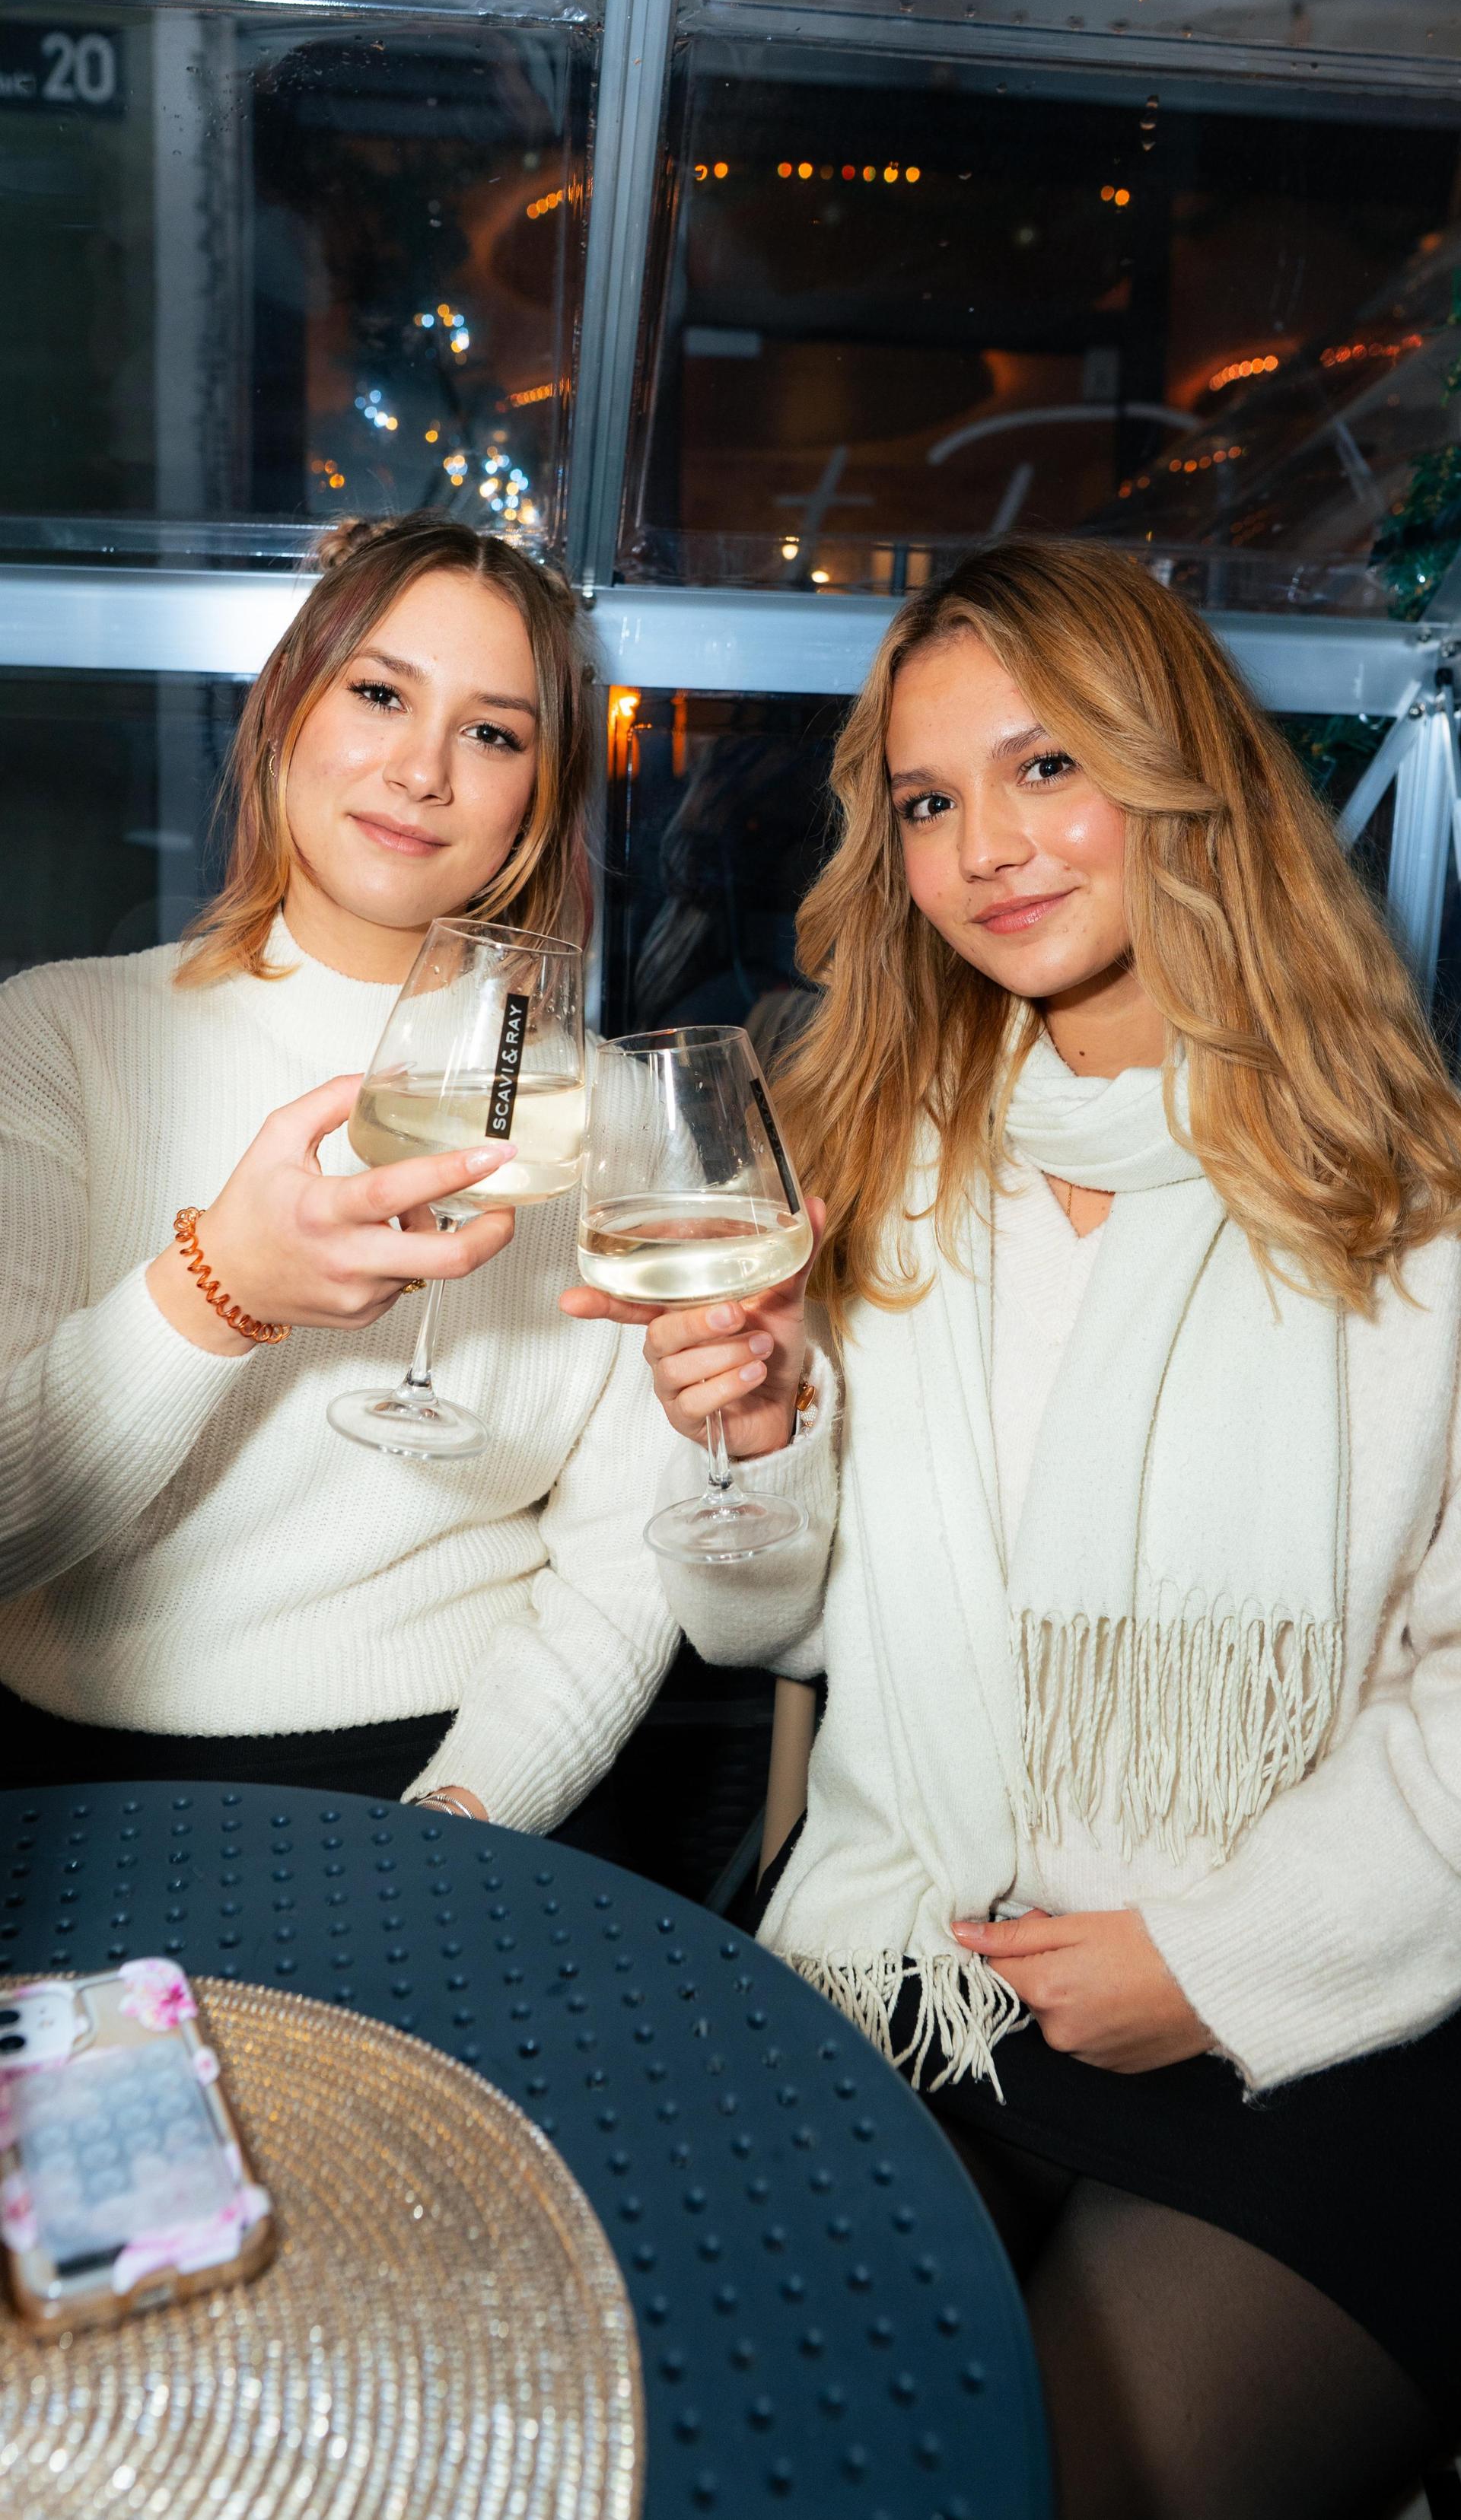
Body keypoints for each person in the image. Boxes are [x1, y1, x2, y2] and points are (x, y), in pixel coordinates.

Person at [581, 541, 1461, 2518]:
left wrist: (1220, 1956)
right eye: (926, 799)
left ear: (1180, 775)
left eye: (1046, 764)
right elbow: (767, 1631)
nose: (983, 845)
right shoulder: (871, 1155)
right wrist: (749, 1442)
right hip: (920, 1956)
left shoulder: (1417, 1206)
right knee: (745, 2452)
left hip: (1314, 2004)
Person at [0, 511, 702, 1834]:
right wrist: (216, 1289)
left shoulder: (604, 1109)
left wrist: (463, 1823)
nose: (421, 770)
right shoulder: (57, 1037)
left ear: (539, 796)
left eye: (493, 733)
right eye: (380, 693)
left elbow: (624, 1563)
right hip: (74, 1785)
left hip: (465, 1770)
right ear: (285, 713)